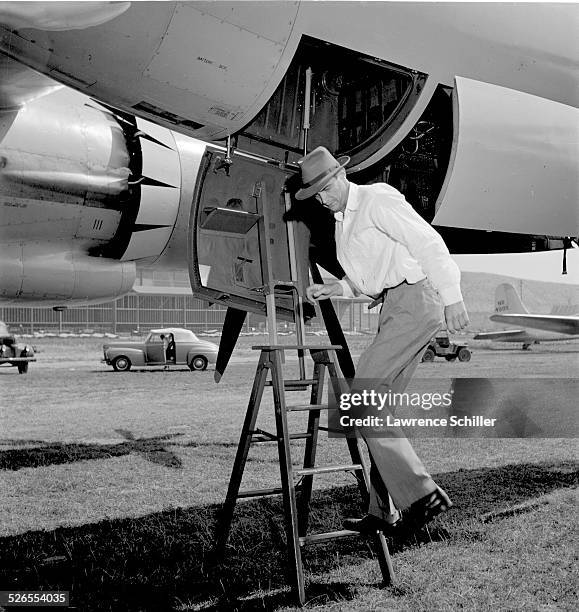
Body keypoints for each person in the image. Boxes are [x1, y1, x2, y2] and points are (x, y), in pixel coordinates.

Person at [295, 146, 469, 536]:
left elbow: (425, 241)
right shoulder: (344, 221)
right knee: (378, 411)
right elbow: (373, 278)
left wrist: (453, 294)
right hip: (395, 305)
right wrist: (337, 288)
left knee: (362, 398)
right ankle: (382, 511)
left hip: (416, 300)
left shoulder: (376, 199)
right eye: (316, 195)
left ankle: (422, 495)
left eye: (324, 190)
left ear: (340, 176)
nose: (322, 200)